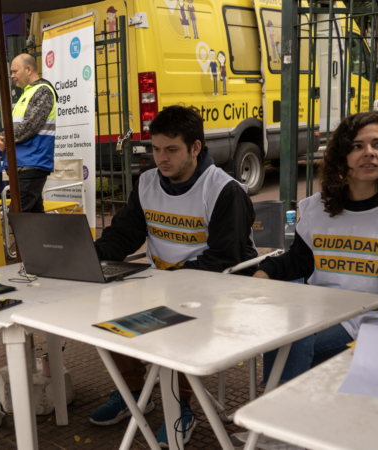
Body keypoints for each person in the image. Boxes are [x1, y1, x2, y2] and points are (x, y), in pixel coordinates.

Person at [90, 105, 258, 447]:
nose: (160, 159)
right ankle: (135, 392)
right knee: (100, 310)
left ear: (196, 148)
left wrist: (166, 285)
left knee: (172, 318)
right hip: (161, 285)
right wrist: (88, 258)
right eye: (155, 149)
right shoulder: (148, 182)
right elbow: (123, 235)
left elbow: (224, 259)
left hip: (219, 291)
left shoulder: (225, 190)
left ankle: (181, 406)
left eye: (171, 150)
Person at [255, 111, 378, 382]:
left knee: (290, 341)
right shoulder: (319, 207)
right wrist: (264, 271)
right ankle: (281, 411)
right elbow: (301, 260)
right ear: (341, 155)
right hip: (322, 313)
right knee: (283, 332)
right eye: (356, 146)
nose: (369, 153)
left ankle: (274, 414)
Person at [0, 54, 58, 213]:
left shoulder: (42, 90)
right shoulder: (27, 93)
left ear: (28, 69)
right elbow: (15, 126)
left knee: (17, 217)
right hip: (25, 164)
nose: (12, 76)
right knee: (34, 221)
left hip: (31, 164)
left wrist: (4, 137)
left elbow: (30, 126)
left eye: (15, 71)